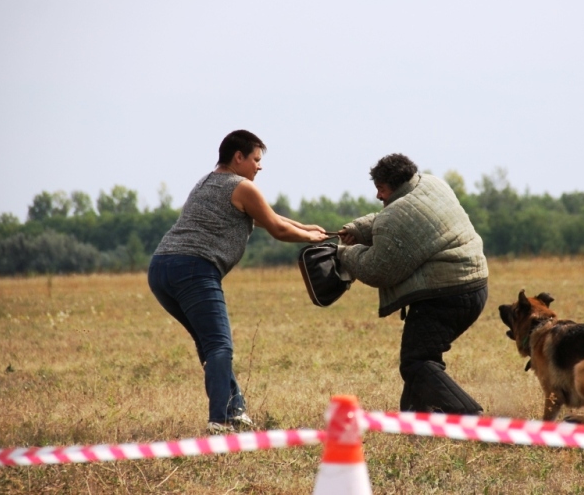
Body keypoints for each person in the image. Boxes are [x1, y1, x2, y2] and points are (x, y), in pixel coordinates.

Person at [148, 129, 330, 434]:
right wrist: (309, 237)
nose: (259, 166)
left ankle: (235, 409)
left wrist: (305, 225)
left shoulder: (206, 182)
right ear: (239, 157)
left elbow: (264, 217)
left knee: (208, 342)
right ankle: (220, 420)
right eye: (256, 160)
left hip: (161, 269)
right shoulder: (242, 186)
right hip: (194, 268)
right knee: (219, 344)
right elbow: (277, 229)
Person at [337, 153, 488, 414]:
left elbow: (377, 270)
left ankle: (469, 416)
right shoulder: (431, 184)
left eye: (380, 189)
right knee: (422, 359)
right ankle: (415, 424)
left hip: (445, 296)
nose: (378, 196)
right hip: (475, 287)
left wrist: (344, 253)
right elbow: (392, 218)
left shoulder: (396, 215)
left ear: (392, 186)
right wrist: (356, 229)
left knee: (416, 362)